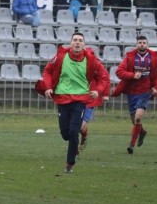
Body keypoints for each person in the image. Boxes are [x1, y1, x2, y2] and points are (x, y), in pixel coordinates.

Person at [39, 32, 109, 173]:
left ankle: (70, 163)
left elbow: (104, 76)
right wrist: (47, 87)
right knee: (65, 133)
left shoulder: (91, 60)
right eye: (75, 40)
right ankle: (73, 147)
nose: (77, 42)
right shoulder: (60, 56)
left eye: (80, 40)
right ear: (70, 43)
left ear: (84, 44)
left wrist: (99, 91)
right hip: (63, 98)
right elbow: (47, 71)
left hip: (81, 99)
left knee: (73, 131)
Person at [112, 35, 157, 154]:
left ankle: (131, 145)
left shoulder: (154, 57)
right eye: (140, 42)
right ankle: (142, 132)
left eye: (144, 42)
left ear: (147, 44)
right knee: (134, 121)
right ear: (136, 44)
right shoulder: (130, 56)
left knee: (137, 118)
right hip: (131, 91)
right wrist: (132, 75)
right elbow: (119, 72)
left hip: (145, 91)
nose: (142, 44)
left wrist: (156, 87)